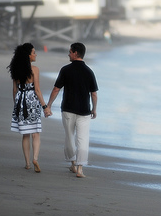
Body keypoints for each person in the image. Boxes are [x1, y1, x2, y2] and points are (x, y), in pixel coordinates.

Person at [46, 42, 98, 178]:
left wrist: (49, 105)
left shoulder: (65, 70)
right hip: (84, 110)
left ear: (75, 53)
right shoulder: (89, 71)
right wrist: (94, 109)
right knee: (83, 138)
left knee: (69, 136)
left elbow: (56, 89)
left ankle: (73, 163)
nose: (68, 54)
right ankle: (80, 169)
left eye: (70, 51)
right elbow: (94, 93)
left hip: (68, 109)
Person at [7, 43, 51, 173]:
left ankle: (27, 163)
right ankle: (35, 158)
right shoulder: (35, 69)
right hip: (31, 100)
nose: (35, 54)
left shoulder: (15, 70)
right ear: (28, 55)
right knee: (35, 133)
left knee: (25, 134)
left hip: (20, 100)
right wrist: (45, 107)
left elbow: (15, 90)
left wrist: (16, 106)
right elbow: (37, 90)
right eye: (33, 52)